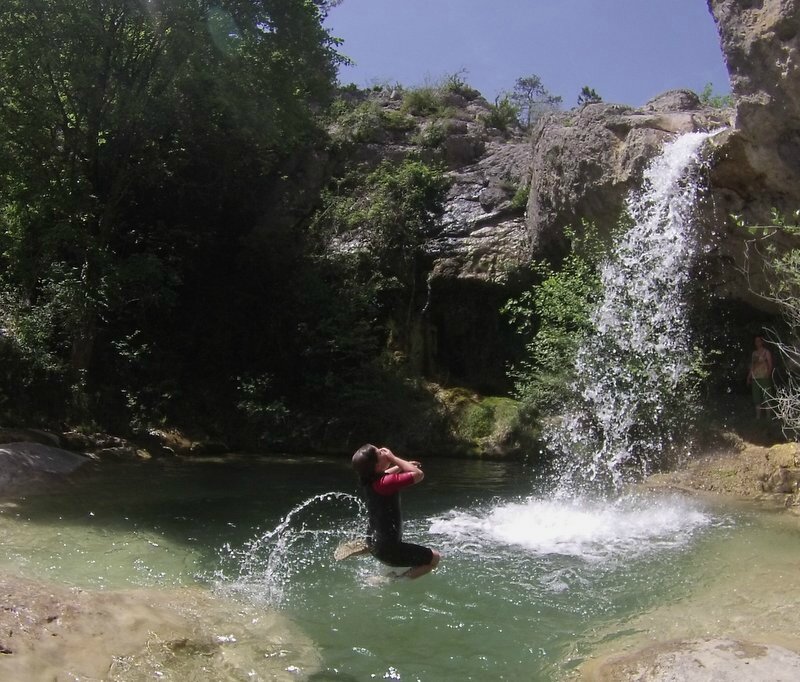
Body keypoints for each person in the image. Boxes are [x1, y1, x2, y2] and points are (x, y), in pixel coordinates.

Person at [351, 444, 440, 579]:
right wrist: (393, 458)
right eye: (380, 453)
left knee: (380, 541)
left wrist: (401, 465)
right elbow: (418, 474)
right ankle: (394, 580)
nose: (383, 451)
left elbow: (386, 474)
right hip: (389, 550)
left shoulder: (368, 480)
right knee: (435, 558)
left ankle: (366, 550)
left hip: (373, 542)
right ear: (377, 466)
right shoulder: (385, 483)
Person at [747, 335, 774, 419]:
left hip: (764, 377)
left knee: (767, 397)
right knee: (757, 398)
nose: (757, 343)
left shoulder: (766, 352)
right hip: (756, 378)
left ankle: (768, 417)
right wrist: (749, 377)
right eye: (756, 341)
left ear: (762, 342)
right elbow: (752, 366)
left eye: (759, 341)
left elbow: (770, 365)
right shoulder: (754, 353)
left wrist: (768, 375)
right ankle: (758, 417)